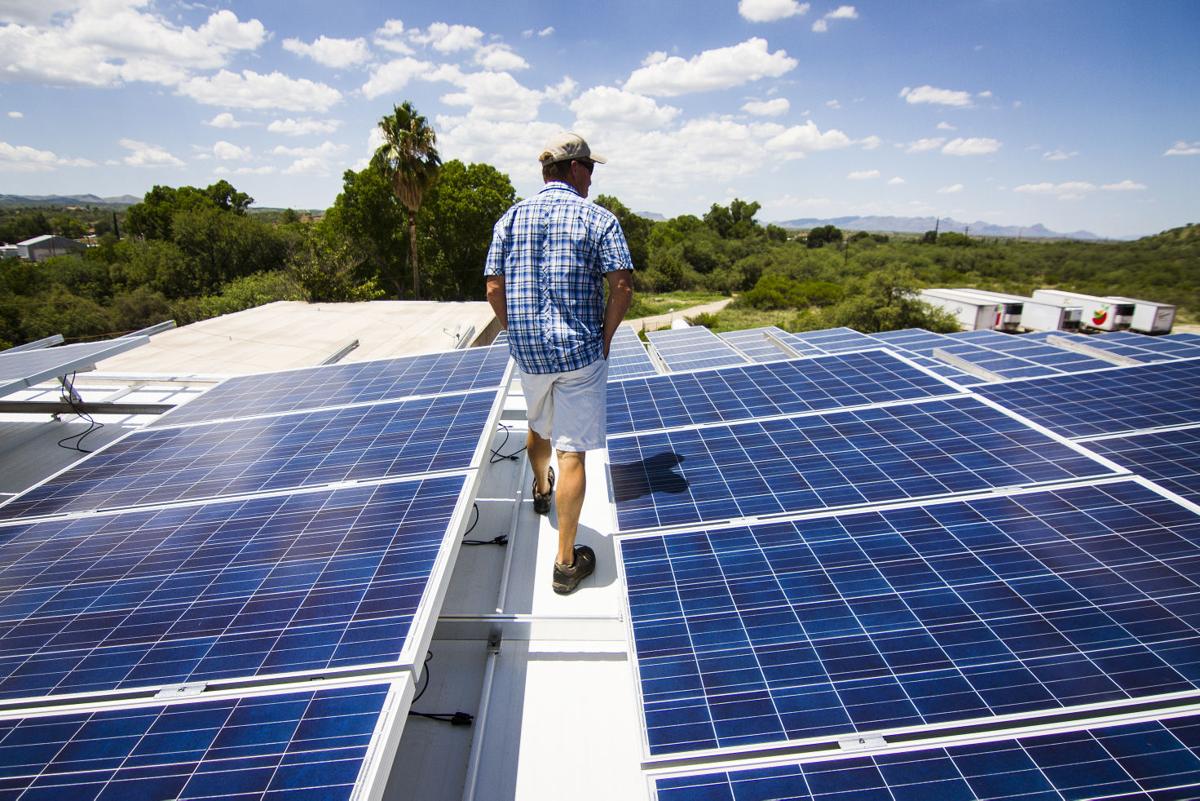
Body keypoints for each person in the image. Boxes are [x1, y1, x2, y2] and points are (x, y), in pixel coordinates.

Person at [484, 132, 634, 595]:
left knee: (539, 425)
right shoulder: (599, 219)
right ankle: (566, 564)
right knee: (573, 453)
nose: (592, 178)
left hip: (529, 354)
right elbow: (622, 286)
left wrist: (519, 335)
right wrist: (605, 338)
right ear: (573, 169)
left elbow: (493, 288)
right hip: (581, 354)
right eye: (590, 168)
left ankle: (540, 490)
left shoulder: (509, 218)